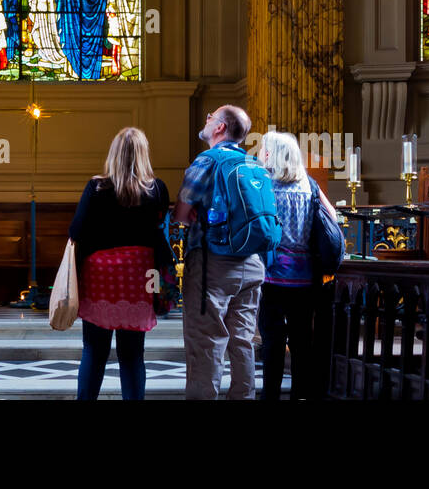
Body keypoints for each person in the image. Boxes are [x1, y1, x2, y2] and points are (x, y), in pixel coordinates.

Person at [67, 127, 174, 401]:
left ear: (113, 153)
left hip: (100, 275)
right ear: (143, 154)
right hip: (139, 275)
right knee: (132, 354)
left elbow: (76, 230)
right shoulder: (157, 188)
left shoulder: (97, 187)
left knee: (94, 350)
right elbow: (158, 229)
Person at [173, 105, 267, 400]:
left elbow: (181, 212)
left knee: (206, 341)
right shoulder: (254, 164)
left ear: (220, 128)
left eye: (211, 116)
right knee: (243, 340)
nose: (206, 118)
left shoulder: (207, 160)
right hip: (252, 264)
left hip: (212, 264)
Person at [256, 131, 335, 400]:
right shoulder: (309, 184)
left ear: (272, 155)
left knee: (272, 343)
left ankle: (270, 396)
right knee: (302, 343)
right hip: (305, 279)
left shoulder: (264, 184)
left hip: (273, 277)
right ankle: (301, 395)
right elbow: (332, 217)